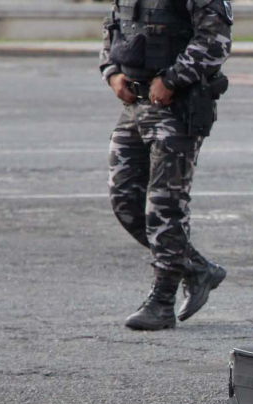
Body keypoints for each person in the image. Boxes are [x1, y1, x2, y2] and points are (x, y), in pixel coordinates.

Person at [99, 0, 233, 330]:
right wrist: (112, 71)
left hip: (178, 105)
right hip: (135, 104)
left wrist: (172, 79)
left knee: (165, 205)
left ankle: (161, 301)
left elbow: (215, 41)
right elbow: (115, 25)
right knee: (125, 201)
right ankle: (198, 268)